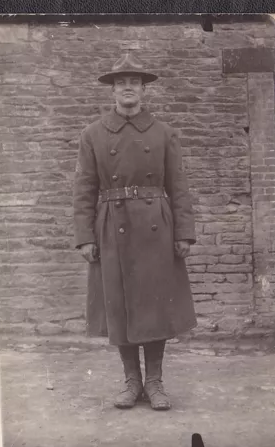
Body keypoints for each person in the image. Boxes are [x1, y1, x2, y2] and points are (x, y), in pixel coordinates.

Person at [73, 53, 197, 411]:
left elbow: (180, 185)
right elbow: (83, 188)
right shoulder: (93, 134)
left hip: (155, 226)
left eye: (134, 83)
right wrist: (85, 236)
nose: (127, 88)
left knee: (155, 305)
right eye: (120, 83)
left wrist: (184, 232)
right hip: (112, 224)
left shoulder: (163, 132)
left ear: (143, 90)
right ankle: (131, 381)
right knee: (119, 304)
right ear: (113, 91)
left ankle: (155, 383)